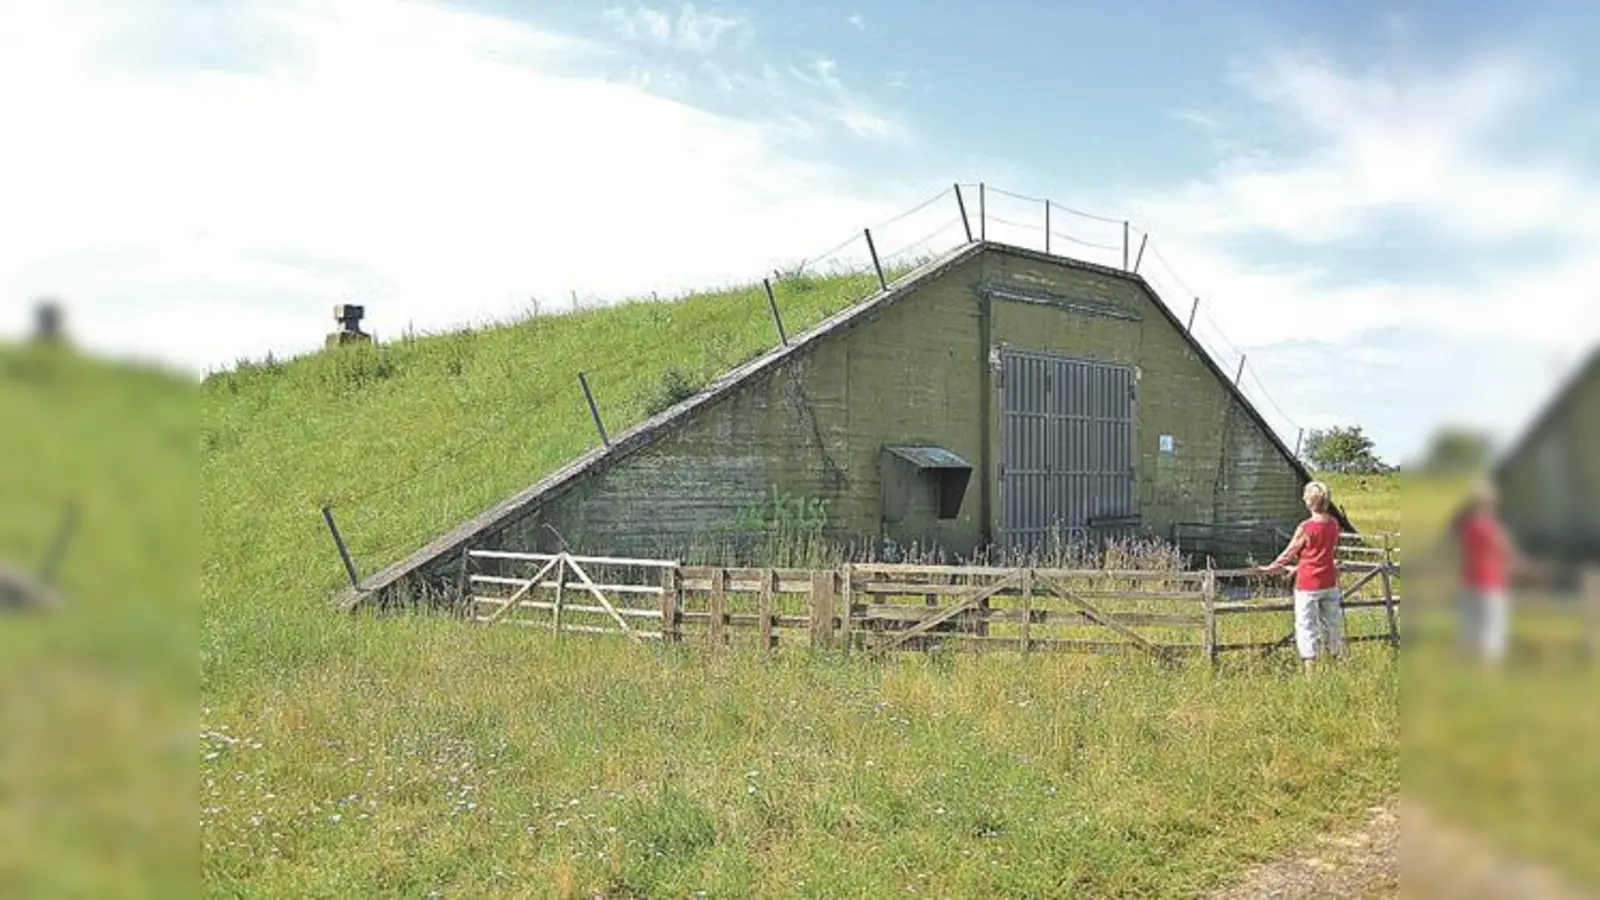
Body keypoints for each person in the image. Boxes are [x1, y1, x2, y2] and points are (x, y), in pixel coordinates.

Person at [1258, 480, 1344, 673]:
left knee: (1306, 625)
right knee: (1332, 624)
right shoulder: (1333, 524)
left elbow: (1290, 552)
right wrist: (1298, 567)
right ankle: (1337, 661)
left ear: (1309, 502)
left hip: (1308, 584)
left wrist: (1270, 569)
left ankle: (1310, 668)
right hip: (1329, 581)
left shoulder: (1306, 527)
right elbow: (1326, 553)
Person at [1452, 481, 1522, 663]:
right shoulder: (1492, 528)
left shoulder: (1465, 529)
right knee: (1492, 634)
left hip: (1469, 583)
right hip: (1491, 583)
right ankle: (1487, 675)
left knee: (1469, 632)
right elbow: (1507, 551)